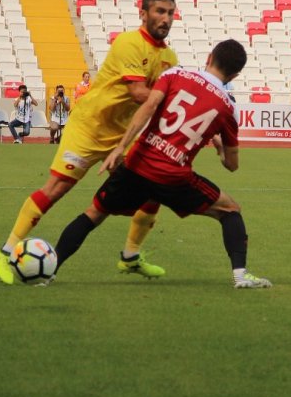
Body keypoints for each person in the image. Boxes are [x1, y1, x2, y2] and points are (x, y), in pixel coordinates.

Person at [0, 0, 179, 284]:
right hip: (89, 127)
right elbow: (139, 92)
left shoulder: (169, 57)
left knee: (153, 185)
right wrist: (176, 104)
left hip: (121, 135)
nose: (165, 18)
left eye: (170, 13)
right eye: (159, 11)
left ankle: (130, 256)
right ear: (143, 14)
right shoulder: (129, 43)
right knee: (56, 189)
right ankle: (4, 251)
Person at [53, 39, 272, 289]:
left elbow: (148, 107)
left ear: (209, 57)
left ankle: (50, 269)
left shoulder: (176, 74)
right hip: (173, 177)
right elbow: (232, 165)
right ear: (235, 74)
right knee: (230, 210)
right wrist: (221, 148)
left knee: (93, 214)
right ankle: (240, 275)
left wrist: (122, 146)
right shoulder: (228, 108)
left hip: (138, 164)